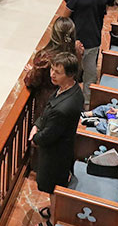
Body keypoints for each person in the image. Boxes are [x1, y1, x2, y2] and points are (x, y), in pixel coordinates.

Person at [29, 52, 84, 195]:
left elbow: (49, 134)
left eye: (57, 72)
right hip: (58, 148)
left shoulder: (64, 108)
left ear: (70, 75)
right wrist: (37, 125)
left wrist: (35, 138)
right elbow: (48, 109)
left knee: (53, 187)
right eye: (52, 69)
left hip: (55, 155)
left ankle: (54, 210)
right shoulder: (70, 88)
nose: (52, 74)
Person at [62, 0, 109, 105]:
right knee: (90, 72)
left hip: (76, 40)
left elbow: (65, 17)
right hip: (94, 38)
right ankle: (87, 102)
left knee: (70, 73)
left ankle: (70, 102)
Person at [25, 17, 80, 123]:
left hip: (48, 102)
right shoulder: (76, 50)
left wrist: (32, 72)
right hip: (70, 97)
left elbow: (32, 81)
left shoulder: (45, 58)